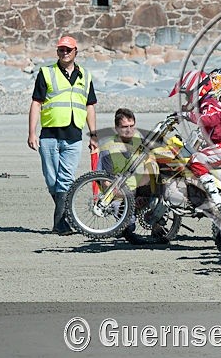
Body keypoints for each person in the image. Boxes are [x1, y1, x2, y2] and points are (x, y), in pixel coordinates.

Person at [27, 35, 98, 235]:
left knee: (65, 179)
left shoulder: (86, 76)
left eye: (68, 49)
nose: (65, 53)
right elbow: (36, 103)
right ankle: (64, 219)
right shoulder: (46, 73)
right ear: (57, 52)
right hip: (49, 134)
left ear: (76, 52)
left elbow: (90, 106)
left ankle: (60, 224)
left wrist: (93, 134)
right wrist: (32, 133)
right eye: (61, 49)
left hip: (74, 135)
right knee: (52, 180)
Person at [169, 70, 221, 208]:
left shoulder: (210, 103)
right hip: (220, 145)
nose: (187, 98)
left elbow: (210, 119)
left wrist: (187, 115)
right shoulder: (204, 103)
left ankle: (217, 203)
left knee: (197, 159)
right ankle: (195, 195)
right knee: (186, 159)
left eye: (189, 94)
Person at [97, 108, 149, 244]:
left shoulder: (141, 142)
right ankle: (124, 227)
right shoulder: (108, 148)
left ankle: (157, 229)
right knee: (128, 228)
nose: (129, 130)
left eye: (132, 126)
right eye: (125, 127)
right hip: (119, 195)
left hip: (139, 190)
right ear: (116, 128)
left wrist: (143, 194)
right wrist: (129, 198)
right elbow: (105, 184)